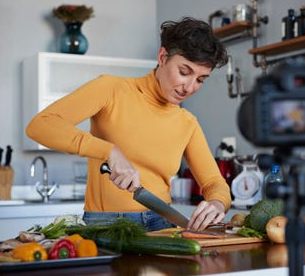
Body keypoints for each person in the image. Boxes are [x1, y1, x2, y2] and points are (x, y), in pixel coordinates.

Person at [26, 16, 232, 231]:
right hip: (106, 225)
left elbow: (213, 183)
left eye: (200, 80)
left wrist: (217, 202)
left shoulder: (187, 123)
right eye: (184, 72)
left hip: (164, 224)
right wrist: (109, 151)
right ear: (162, 57)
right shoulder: (111, 90)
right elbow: (41, 125)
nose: (189, 87)